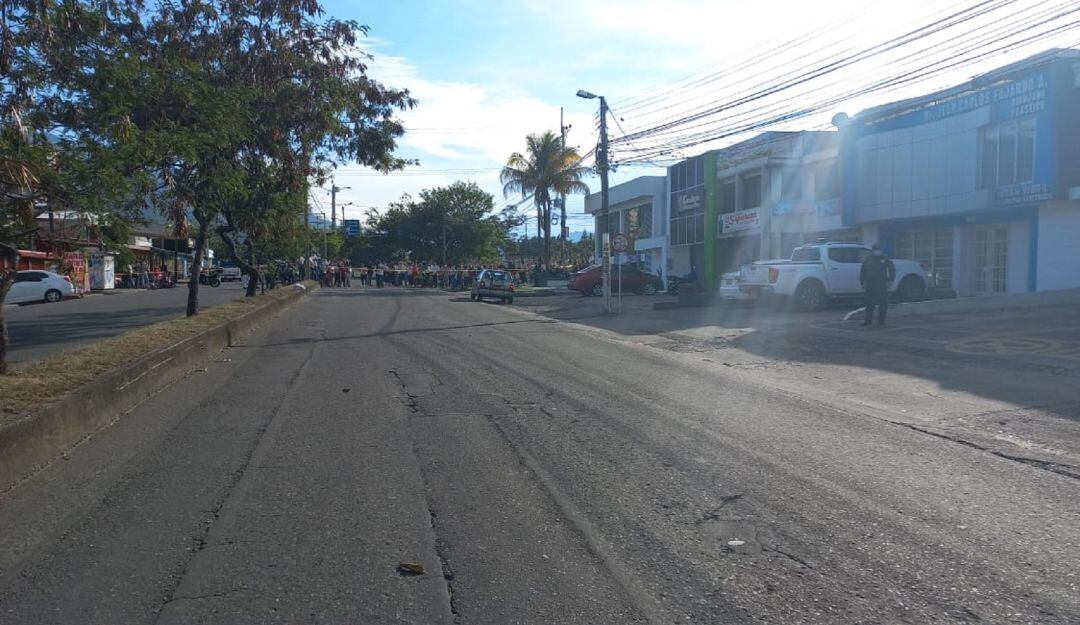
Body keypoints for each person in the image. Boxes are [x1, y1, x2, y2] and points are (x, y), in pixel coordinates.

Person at [860, 243, 896, 326]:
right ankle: (868, 321)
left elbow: (892, 270)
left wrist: (890, 280)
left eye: (879, 250)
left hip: (882, 283)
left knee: (883, 303)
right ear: (873, 251)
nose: (878, 251)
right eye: (876, 250)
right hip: (870, 283)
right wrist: (862, 281)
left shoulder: (885, 259)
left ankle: (881, 321)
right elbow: (863, 271)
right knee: (869, 303)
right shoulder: (868, 259)